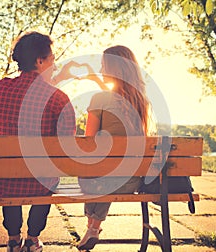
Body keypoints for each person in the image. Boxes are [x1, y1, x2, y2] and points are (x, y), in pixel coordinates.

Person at [0, 31, 76, 252]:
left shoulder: (0, 88)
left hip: (2, 180)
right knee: (47, 178)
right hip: (39, 181)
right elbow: (67, 141)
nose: (54, 65)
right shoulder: (58, 98)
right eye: (52, 59)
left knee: (9, 173)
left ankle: (13, 239)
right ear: (40, 61)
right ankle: (33, 239)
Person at [77, 45, 150, 251]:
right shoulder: (141, 101)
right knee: (107, 174)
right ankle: (93, 228)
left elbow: (88, 142)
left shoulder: (99, 99)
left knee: (93, 173)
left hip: (100, 181)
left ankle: (92, 227)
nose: (101, 70)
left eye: (103, 65)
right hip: (133, 181)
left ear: (112, 69)